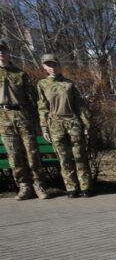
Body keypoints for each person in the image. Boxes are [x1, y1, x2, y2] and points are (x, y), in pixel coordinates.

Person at [37, 53, 93, 198]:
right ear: (44, 67)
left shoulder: (69, 84)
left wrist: (86, 124)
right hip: (55, 123)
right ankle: (71, 187)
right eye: (48, 65)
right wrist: (44, 127)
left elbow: (80, 105)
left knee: (79, 155)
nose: (52, 68)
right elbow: (42, 107)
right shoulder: (42, 84)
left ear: (59, 65)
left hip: (72, 122)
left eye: (54, 64)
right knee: (63, 157)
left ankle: (85, 186)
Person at [0, 40, 47, 200]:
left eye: (3, 50)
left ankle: (38, 184)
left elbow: (33, 99)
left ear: (8, 52)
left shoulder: (20, 74)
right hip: (3, 118)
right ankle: (24, 186)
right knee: (14, 154)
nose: (1, 53)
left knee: (32, 152)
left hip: (22, 115)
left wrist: (37, 119)